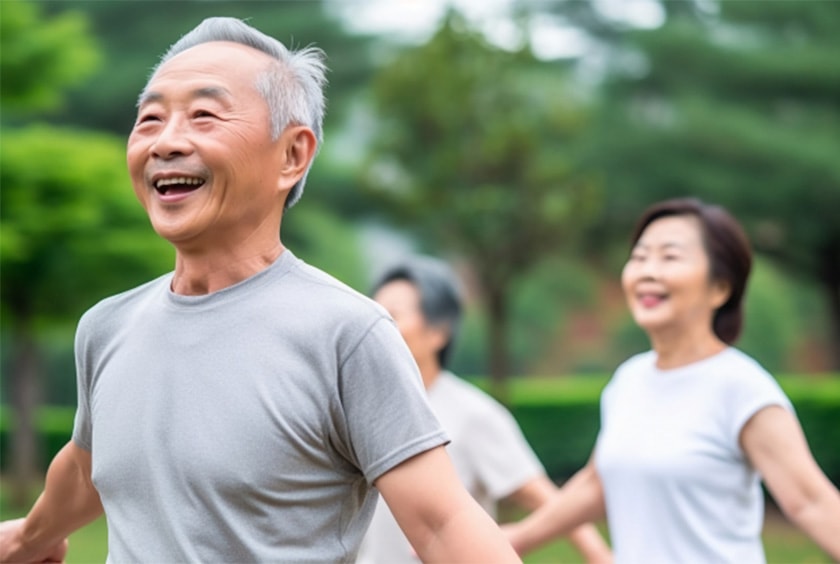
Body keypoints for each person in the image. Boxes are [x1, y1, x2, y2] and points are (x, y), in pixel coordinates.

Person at [0, 17, 522, 563]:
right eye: (150, 119)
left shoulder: (346, 333)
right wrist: (29, 537)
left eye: (204, 116)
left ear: (293, 156)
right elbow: (87, 467)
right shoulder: (106, 328)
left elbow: (442, 524)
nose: (167, 141)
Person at [504, 197, 840, 562]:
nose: (648, 270)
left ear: (720, 288)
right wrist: (520, 537)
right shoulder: (629, 380)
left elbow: (811, 502)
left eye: (670, 257)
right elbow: (598, 481)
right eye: (639, 257)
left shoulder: (742, 388)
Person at [356, 256, 612, 563]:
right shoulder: (359, 407)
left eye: (393, 316)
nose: (378, 328)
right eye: (374, 314)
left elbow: (540, 495)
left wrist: (599, 555)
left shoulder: (472, 413)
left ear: (438, 331)